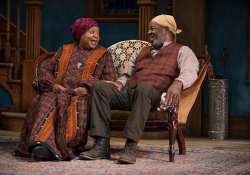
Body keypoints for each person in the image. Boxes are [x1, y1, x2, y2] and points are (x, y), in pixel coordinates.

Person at [79, 15, 199, 164]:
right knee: (99, 87)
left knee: (144, 88)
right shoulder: (141, 51)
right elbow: (126, 74)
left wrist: (178, 83)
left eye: (152, 28)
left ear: (166, 30)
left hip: (155, 96)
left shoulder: (183, 51)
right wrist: (120, 83)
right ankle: (101, 145)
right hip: (131, 93)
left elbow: (190, 71)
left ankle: (130, 147)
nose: (149, 32)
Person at [14, 18, 115, 161]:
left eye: (98, 33)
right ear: (80, 34)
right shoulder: (63, 50)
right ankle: (41, 144)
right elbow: (46, 71)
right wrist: (53, 85)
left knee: (78, 105)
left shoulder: (104, 54)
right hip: (58, 91)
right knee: (46, 100)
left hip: (83, 95)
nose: (96, 36)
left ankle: (63, 146)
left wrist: (87, 90)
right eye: (92, 32)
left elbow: (109, 80)